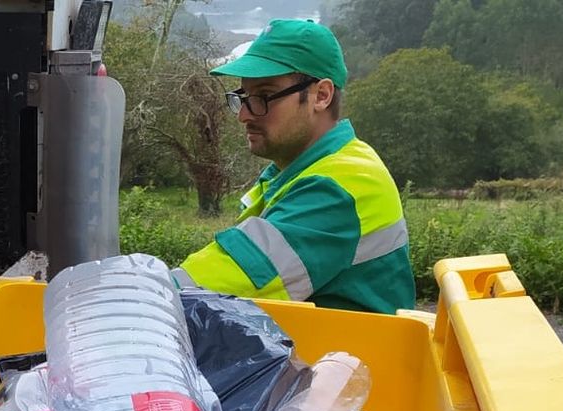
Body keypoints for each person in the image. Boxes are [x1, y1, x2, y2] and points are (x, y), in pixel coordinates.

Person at [173, 19, 414, 314]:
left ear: (321, 96)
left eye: (262, 97)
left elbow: (231, 282)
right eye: (242, 98)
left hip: (350, 357)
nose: (244, 115)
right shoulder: (298, 171)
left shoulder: (341, 186)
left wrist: (138, 296)